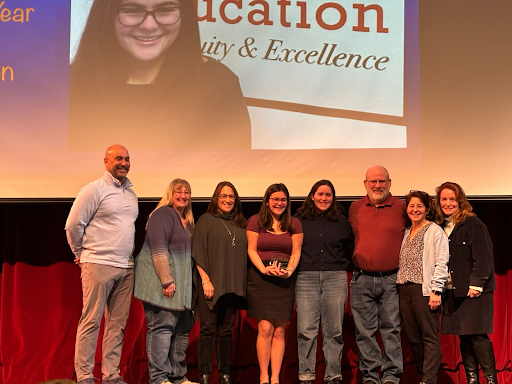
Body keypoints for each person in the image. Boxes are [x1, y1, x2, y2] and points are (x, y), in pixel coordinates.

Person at [68, 0, 251, 151]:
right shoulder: (68, 86)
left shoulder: (219, 84)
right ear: (107, 15)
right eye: (132, 11)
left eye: (165, 10)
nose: (149, 25)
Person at [65, 144, 138, 384]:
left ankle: (111, 375)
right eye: (118, 158)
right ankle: (85, 375)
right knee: (92, 320)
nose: (124, 163)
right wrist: (80, 253)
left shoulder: (131, 193)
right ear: (106, 161)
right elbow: (73, 225)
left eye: (127, 159)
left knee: (117, 325)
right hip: (98, 262)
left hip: (126, 267)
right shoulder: (93, 189)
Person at [434, 182, 498, 384]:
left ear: (460, 201)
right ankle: (472, 379)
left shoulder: (473, 224)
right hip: (453, 291)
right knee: (463, 336)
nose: (448, 203)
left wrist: (477, 284)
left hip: (474, 291)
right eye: (444, 199)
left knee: (478, 336)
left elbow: (483, 257)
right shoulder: (440, 227)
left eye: (452, 199)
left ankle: (490, 380)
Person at [134, 178, 195, 384]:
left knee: (181, 329)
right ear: (170, 193)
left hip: (181, 290)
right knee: (162, 327)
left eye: (187, 192)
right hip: (161, 285)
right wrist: (166, 281)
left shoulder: (187, 222)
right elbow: (159, 249)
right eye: (179, 191)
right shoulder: (163, 214)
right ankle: (159, 378)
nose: (183, 195)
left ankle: (178, 377)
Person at [348, 165, 405, 384]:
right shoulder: (355, 208)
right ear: (365, 184)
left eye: (382, 181)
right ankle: (371, 377)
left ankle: (391, 377)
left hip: (392, 279)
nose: (377, 185)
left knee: (391, 329)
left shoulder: (401, 207)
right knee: (364, 332)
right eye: (373, 181)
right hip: (361, 279)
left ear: (390, 183)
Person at [294, 180, 354, 384]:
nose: (324, 198)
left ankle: (333, 376)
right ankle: (306, 376)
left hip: (335, 278)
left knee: (334, 330)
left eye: (328, 195)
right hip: (305, 278)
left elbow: (349, 247)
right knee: (305, 330)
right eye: (320, 194)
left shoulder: (341, 221)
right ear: (312, 196)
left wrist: (340, 265)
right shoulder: (298, 220)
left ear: (333, 198)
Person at [191, 181, 248, 384]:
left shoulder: (241, 224)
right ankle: (204, 376)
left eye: (231, 196)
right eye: (223, 196)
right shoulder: (206, 220)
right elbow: (197, 252)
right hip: (210, 286)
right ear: (216, 198)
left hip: (233, 287)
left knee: (226, 331)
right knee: (207, 328)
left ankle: (225, 376)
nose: (228, 200)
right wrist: (206, 280)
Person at [246, 183, 303, 384]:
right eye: (275, 199)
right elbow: (251, 250)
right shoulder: (255, 221)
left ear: (287, 202)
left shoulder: (294, 223)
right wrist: (263, 269)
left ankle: (275, 378)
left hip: (284, 280)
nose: (279, 203)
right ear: (267, 201)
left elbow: (295, 252)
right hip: (261, 279)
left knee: (279, 330)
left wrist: (288, 272)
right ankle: (263, 377)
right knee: (265, 329)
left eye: (283, 199)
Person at [396, 191, 449, 384]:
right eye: (411, 206)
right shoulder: (406, 231)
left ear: (427, 209)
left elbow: (442, 262)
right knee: (413, 338)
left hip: (424, 290)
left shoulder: (435, 231)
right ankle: (422, 377)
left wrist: (436, 290)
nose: (415, 209)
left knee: (429, 337)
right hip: (404, 289)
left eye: (420, 206)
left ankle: (429, 380)